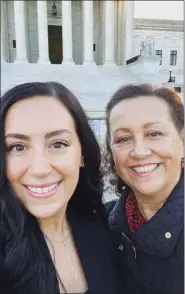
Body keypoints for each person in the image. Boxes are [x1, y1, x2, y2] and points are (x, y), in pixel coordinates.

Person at [0, 82, 123, 294]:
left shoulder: (100, 227)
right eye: (17, 147)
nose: (39, 169)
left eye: (58, 144)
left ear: (83, 153)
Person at [104, 83, 184, 294]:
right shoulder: (100, 223)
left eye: (154, 133)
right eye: (123, 139)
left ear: (182, 141)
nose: (139, 152)